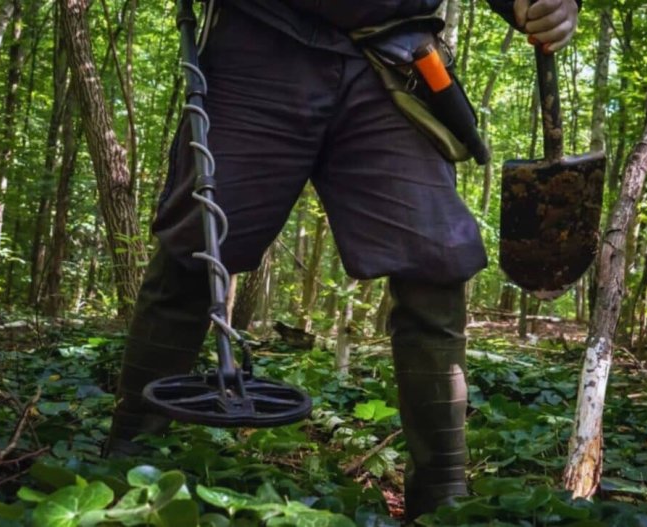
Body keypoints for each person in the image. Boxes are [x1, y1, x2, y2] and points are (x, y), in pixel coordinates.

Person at [108, 0, 580, 520]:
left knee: (435, 257)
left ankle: (443, 494)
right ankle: (127, 456)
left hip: (396, 59)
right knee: (199, 245)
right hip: (258, 42)